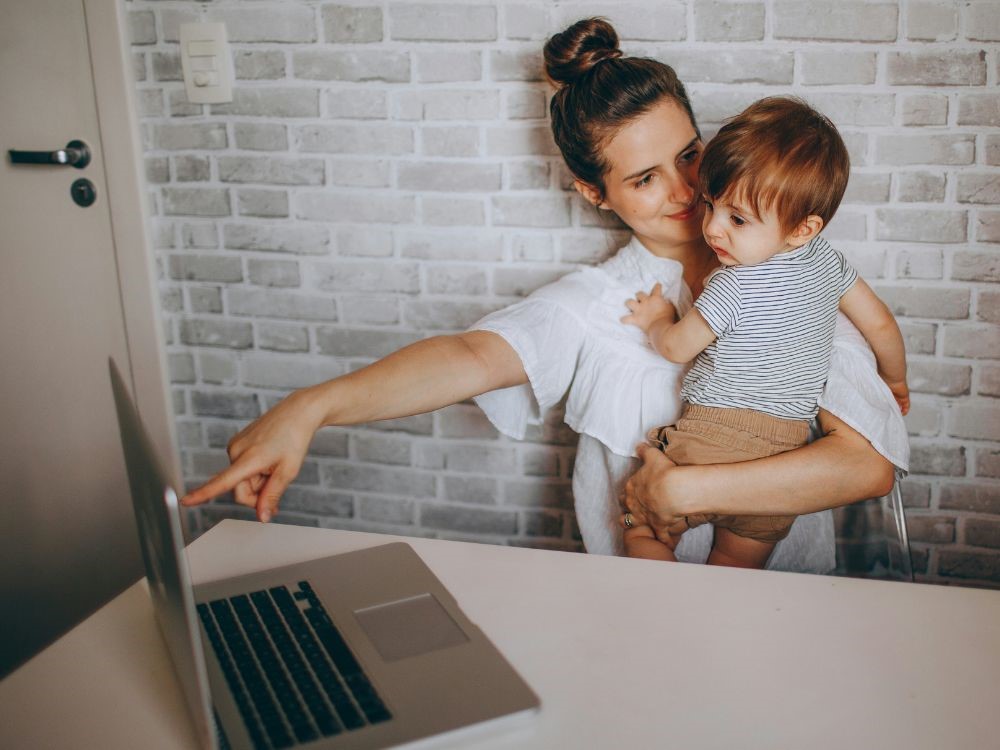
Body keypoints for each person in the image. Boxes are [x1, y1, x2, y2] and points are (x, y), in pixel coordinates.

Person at [182, 18, 908, 573]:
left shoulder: (793, 273)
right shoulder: (596, 304)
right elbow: (468, 355)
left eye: (689, 155)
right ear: (596, 192)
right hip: (638, 630)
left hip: (786, 623)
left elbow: (866, 465)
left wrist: (682, 495)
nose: (688, 192)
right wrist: (311, 407)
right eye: (645, 177)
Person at [619, 96, 909, 568]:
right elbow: (880, 323)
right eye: (710, 204)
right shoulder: (829, 263)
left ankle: (657, 595)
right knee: (736, 572)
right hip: (781, 462)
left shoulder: (732, 286)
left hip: (707, 441)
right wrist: (895, 382)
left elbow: (675, 347)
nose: (712, 228)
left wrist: (656, 319)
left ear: (802, 229)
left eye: (737, 219)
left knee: (637, 520)